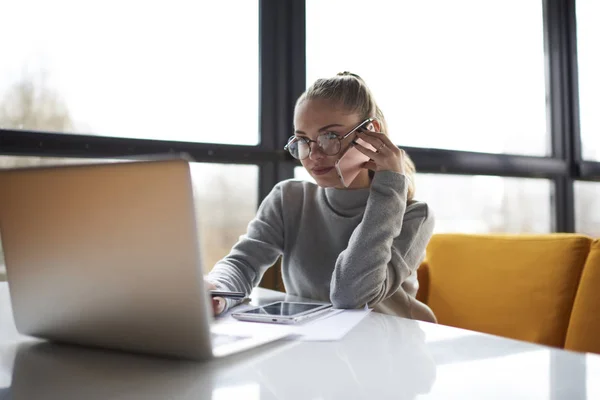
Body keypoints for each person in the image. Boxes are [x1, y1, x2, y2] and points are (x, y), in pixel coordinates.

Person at [205, 71, 436, 322]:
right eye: (303, 140)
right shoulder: (289, 199)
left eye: (330, 137)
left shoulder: (414, 215)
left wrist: (390, 185)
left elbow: (350, 295)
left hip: (391, 348)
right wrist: (217, 291)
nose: (313, 155)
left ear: (371, 133)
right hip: (314, 346)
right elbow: (243, 263)